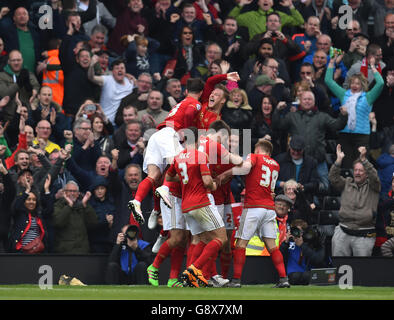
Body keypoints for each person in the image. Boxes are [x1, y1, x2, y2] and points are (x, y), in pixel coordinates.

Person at [128, 78, 205, 225]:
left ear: (186, 91)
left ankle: (137, 201)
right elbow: (189, 114)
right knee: (179, 165)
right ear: (200, 93)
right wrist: (187, 132)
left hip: (156, 136)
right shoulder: (195, 103)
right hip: (170, 134)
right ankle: (165, 188)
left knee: (153, 175)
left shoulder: (181, 102)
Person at [165, 126, 226, 288]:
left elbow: (169, 177)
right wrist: (213, 185)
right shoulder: (200, 155)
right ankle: (194, 270)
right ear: (199, 139)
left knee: (203, 239)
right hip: (201, 202)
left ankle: (190, 277)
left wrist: (188, 181)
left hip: (186, 206)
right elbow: (207, 183)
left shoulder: (178, 157)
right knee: (221, 238)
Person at [228, 139, 290, 288]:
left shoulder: (254, 157)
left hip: (253, 207)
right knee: (272, 246)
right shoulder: (276, 164)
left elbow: (246, 167)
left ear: (259, 149)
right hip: (269, 209)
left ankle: (236, 280)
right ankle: (283, 279)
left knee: (241, 244)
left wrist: (228, 172)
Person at [272, 90, 348, 192]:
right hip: (298, 159)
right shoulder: (292, 116)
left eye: (310, 99)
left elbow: (337, 125)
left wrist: (343, 116)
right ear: (300, 101)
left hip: (318, 159)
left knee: (325, 187)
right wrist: (277, 110)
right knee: (297, 187)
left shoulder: (322, 116)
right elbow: (278, 125)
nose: (307, 101)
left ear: (314, 101)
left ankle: (316, 205)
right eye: (305, 99)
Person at [325, 54, 384, 168]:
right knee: (346, 167)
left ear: (362, 85)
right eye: (352, 83)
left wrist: (372, 66)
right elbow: (328, 81)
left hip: (361, 136)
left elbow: (380, 83)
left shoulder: (368, 97)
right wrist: (332, 62)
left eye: (358, 83)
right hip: (344, 135)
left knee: (360, 167)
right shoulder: (344, 94)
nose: (354, 85)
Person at [329, 145, 381, 257]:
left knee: (362, 270)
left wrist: (364, 160)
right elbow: (333, 178)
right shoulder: (347, 182)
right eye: (356, 170)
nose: (357, 173)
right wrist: (338, 161)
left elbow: (374, 176)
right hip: (343, 230)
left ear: (366, 173)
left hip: (364, 233)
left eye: (361, 171)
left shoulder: (374, 186)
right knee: (339, 266)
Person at [9, 174, 53, 253]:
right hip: (22, 251)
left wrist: (46, 190)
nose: (31, 202)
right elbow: (16, 206)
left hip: (38, 251)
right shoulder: (20, 213)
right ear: (24, 201)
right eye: (28, 199)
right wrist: (27, 189)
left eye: (34, 200)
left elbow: (49, 210)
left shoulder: (38, 214)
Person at [52, 180, 98, 254]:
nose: (72, 193)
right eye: (70, 191)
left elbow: (94, 223)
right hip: (65, 251)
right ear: (65, 193)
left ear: (78, 194)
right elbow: (58, 222)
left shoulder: (82, 206)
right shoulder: (58, 205)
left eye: (74, 191)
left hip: (83, 251)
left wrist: (85, 205)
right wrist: (69, 206)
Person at [88, 57, 134, 126]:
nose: (120, 70)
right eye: (117, 68)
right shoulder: (107, 80)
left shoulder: (130, 82)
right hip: (105, 122)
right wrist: (91, 65)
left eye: (122, 68)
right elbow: (91, 77)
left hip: (122, 123)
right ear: (112, 71)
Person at [280, 219, 326, 285]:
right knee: (295, 276)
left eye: (300, 231)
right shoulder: (287, 243)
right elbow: (279, 258)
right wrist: (285, 243)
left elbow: (317, 260)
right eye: (295, 231)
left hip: (308, 274)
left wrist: (302, 245)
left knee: (306, 276)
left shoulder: (311, 243)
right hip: (292, 274)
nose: (297, 234)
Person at [0, 50, 40, 121]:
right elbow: (4, 94)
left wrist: (34, 91)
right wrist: (18, 84)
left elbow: (36, 85)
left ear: (22, 60)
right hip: (9, 116)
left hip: (27, 114)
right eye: (13, 60)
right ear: (8, 61)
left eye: (18, 60)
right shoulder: (2, 76)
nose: (16, 63)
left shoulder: (27, 73)